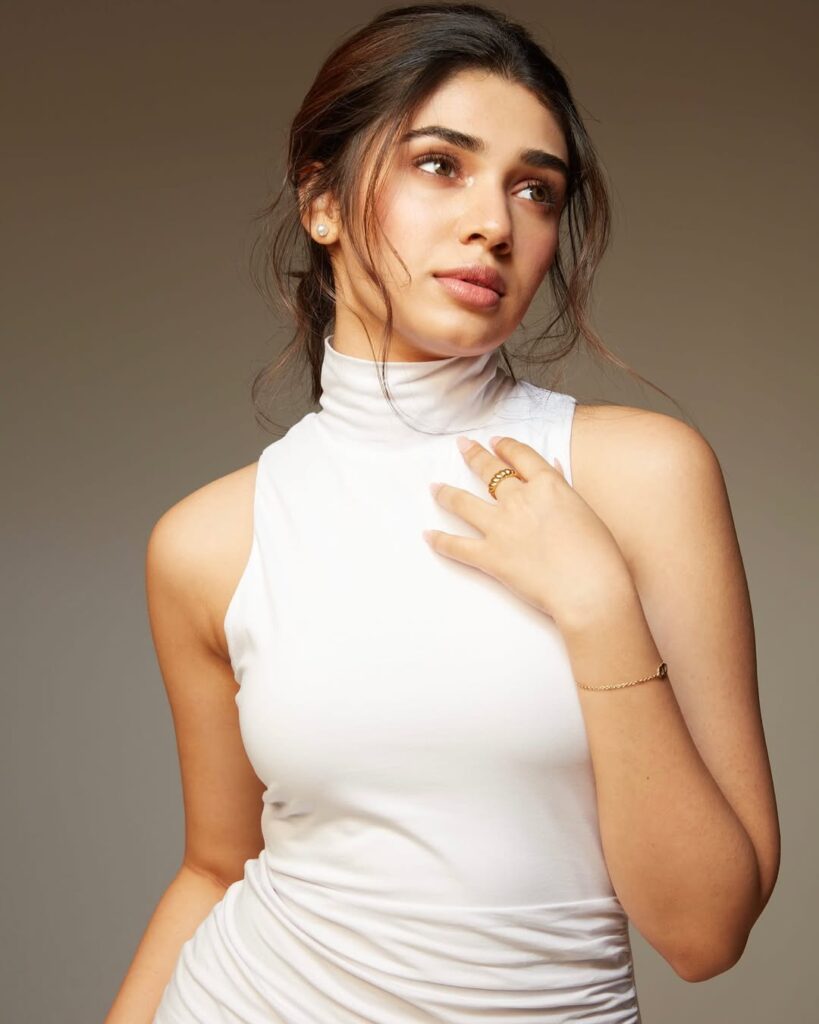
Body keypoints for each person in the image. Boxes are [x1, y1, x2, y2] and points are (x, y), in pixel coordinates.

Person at [105, 4, 780, 1022]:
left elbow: (704, 932)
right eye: (439, 165)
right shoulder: (208, 541)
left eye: (534, 189)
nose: (493, 223)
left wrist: (596, 605)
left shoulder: (642, 475)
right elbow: (213, 867)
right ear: (322, 203)